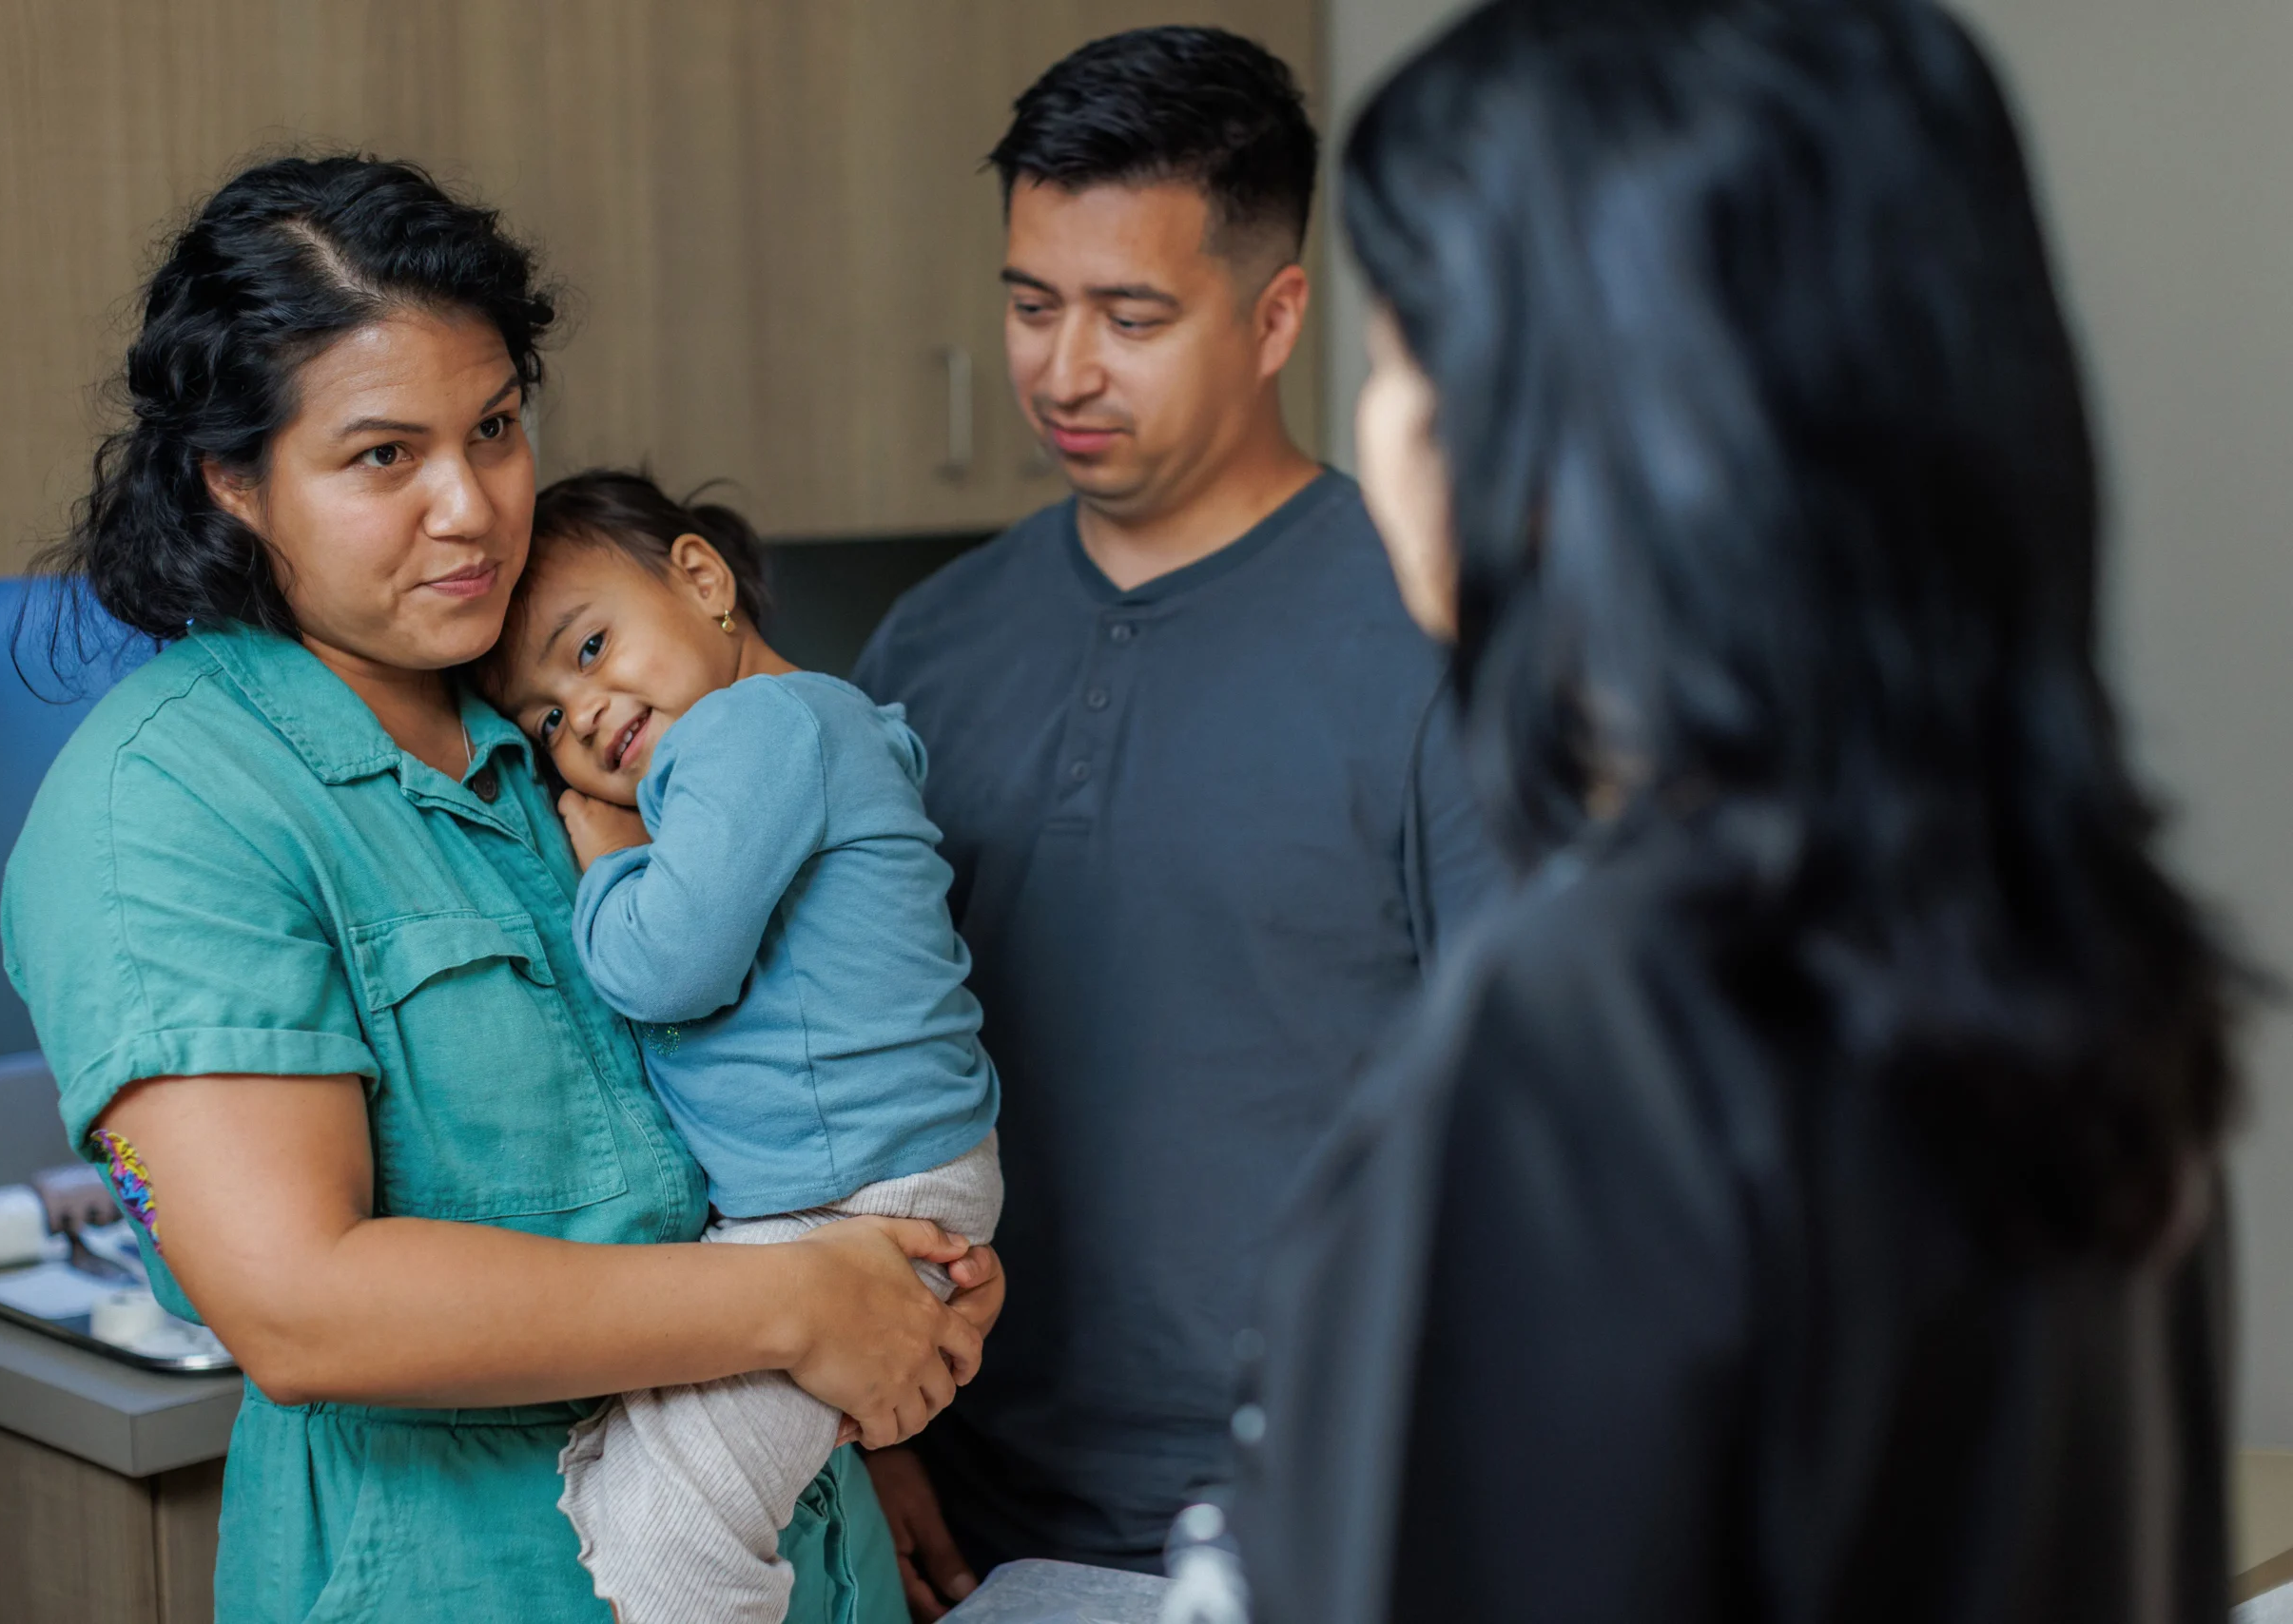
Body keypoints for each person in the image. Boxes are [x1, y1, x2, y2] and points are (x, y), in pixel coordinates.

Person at [1232, 2, 2242, 1620]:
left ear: (1556, 440)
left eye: (1401, 339)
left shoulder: (1589, 1040)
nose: (1380, 413)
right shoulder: (2087, 982)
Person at [0, 156, 1001, 1624]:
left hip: (793, 1531)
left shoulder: (575, 723)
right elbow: (302, 1306)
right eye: (383, 457)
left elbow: (783, 1100)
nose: (470, 506)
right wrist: (806, 1310)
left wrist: (854, 1398)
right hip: (474, 1577)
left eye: (496, 428)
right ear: (233, 480)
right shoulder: (167, 803)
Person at [849, 26, 1497, 1605]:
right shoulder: (924, 649)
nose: (1063, 369)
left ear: (1278, 315)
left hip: (1319, 1525)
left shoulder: (1435, 647)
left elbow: (1532, 1142)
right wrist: (874, 1436)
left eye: (1130, 315)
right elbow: (826, 1083)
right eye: (1029, 303)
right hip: (967, 1515)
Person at [476, 469, 1004, 1624]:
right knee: (654, 1490)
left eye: (593, 644)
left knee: (670, 1538)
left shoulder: (753, 729)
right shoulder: (812, 723)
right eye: (547, 720)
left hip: (856, 1199)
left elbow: (665, 966)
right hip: (870, 1187)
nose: (588, 710)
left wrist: (605, 852)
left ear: (702, 579)